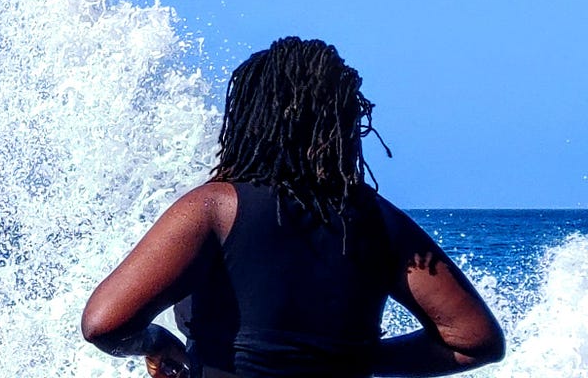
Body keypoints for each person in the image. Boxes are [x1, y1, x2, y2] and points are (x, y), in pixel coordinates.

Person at [80, 37, 505, 377]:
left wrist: (155, 341)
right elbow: (474, 340)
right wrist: (358, 360)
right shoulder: (381, 221)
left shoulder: (215, 208)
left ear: (249, 119)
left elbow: (105, 323)